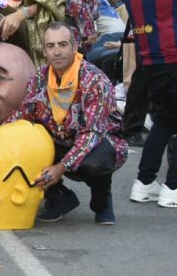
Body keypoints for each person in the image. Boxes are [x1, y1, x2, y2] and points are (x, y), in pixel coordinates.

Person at [16, 22, 126, 224]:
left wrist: (60, 167)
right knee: (22, 144)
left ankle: (102, 201)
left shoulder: (94, 80)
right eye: (51, 46)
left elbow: (91, 134)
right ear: (44, 50)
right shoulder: (39, 78)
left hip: (98, 142)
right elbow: (23, 114)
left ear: (74, 47)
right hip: (58, 140)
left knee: (95, 165)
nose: (57, 52)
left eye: (63, 44)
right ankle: (58, 198)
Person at [123, 0, 177, 207]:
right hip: (172, 53)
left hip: (149, 55)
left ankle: (144, 182)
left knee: (165, 120)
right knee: (168, 120)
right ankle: (172, 188)